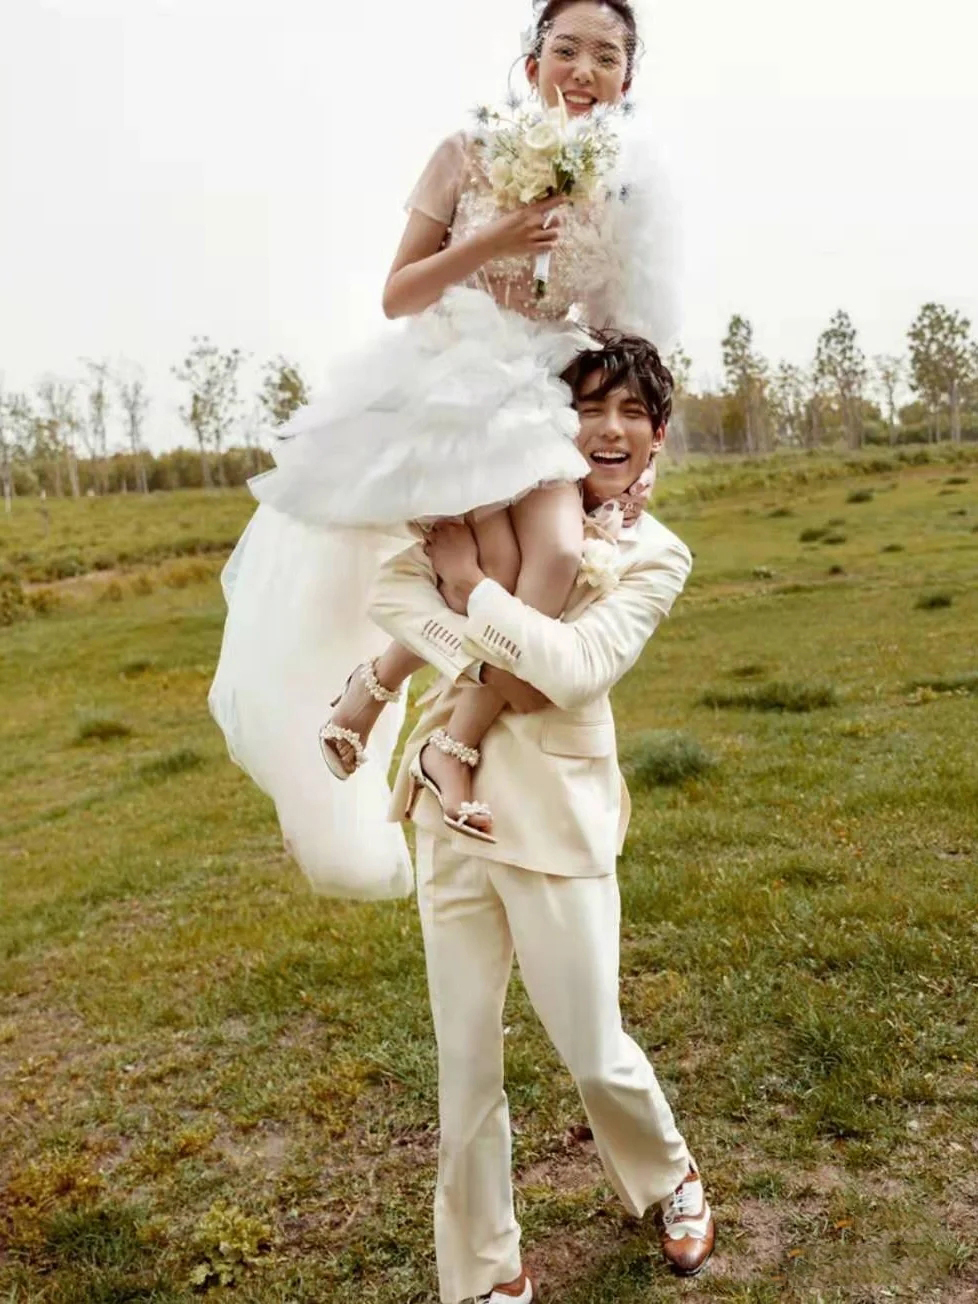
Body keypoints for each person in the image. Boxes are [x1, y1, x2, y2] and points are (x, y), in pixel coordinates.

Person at [209, 0, 677, 896]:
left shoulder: (621, 190)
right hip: (453, 377)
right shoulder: (468, 150)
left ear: (627, 78)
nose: (584, 71)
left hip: (547, 387)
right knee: (492, 569)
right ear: (533, 61)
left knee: (558, 557)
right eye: (567, 50)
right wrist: (497, 238)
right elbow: (399, 294)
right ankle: (411, 710)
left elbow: (620, 328)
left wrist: (637, 447)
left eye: (607, 57)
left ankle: (435, 723)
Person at [368, 334, 715, 1304]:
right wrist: (480, 651)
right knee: (464, 1063)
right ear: (553, 423)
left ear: (657, 435)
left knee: (593, 1048)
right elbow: (391, 593)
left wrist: (469, 591)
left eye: (631, 413)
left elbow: (575, 669)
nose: (609, 428)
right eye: (589, 407)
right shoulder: (488, 505)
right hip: (451, 811)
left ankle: (670, 1176)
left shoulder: (657, 553)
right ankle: (486, 1269)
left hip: (559, 817)